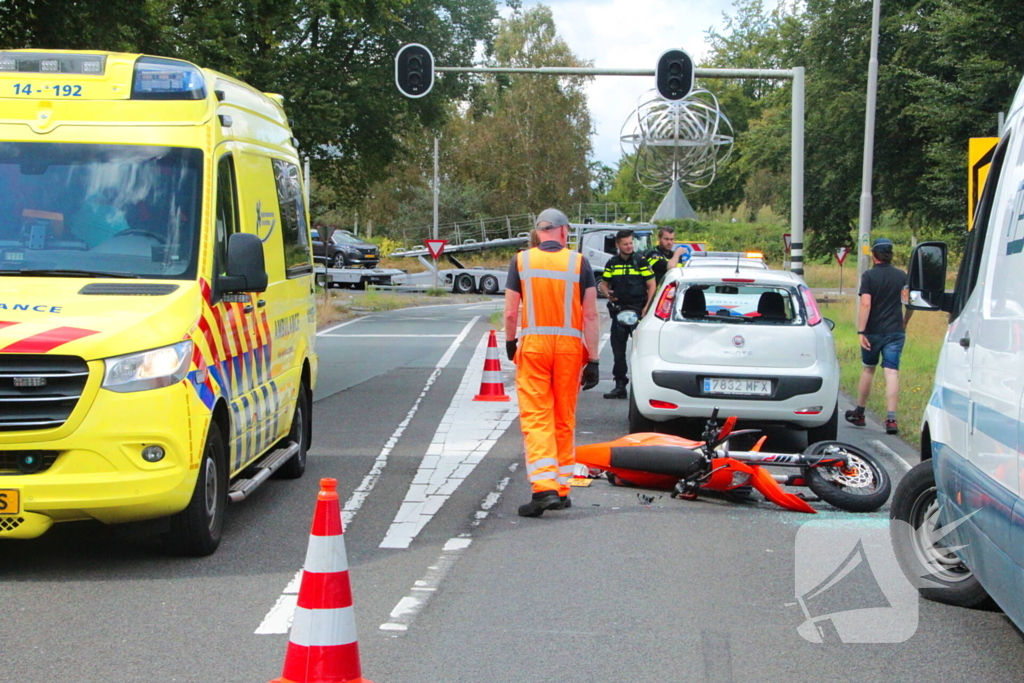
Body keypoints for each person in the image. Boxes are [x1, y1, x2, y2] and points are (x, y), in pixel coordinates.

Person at [504, 208, 601, 518]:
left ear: (539, 232)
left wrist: (510, 342)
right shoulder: (579, 262)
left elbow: (509, 311)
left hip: (534, 347)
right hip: (570, 350)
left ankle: (543, 488)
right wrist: (595, 358)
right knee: (563, 416)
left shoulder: (521, 261)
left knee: (536, 416)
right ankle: (560, 488)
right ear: (563, 232)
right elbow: (590, 314)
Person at [845, 237, 913, 434]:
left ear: (874, 255)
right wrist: (905, 322)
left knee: (868, 369)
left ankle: (860, 412)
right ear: (890, 255)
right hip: (895, 331)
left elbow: (866, 304)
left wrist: (861, 331)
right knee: (892, 372)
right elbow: (909, 302)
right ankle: (891, 419)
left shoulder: (868, 276)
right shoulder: (902, 276)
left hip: (873, 331)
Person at [599, 229, 656, 399]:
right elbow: (604, 283)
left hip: (638, 310)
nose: (630, 246)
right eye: (626, 244)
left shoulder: (641, 262)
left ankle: (645, 388)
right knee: (618, 350)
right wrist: (606, 292)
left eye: (631, 243)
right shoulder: (612, 263)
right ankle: (620, 385)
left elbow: (652, 286)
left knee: (642, 351)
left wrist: (647, 308)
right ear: (618, 245)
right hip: (619, 310)